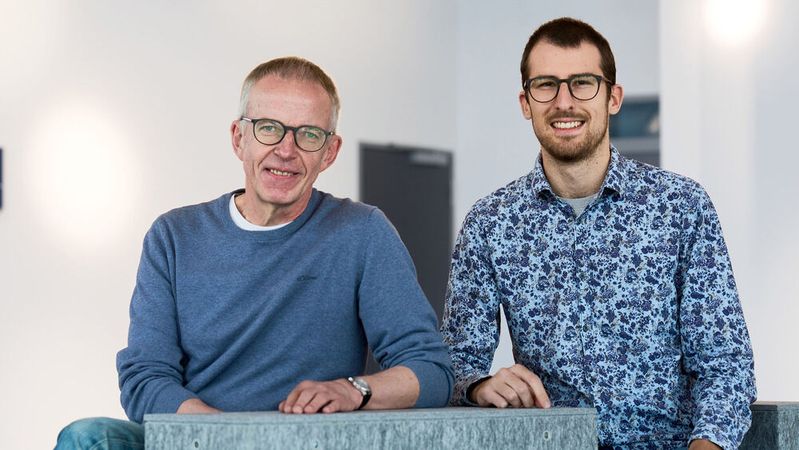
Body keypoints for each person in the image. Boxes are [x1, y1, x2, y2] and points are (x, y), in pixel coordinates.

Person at [56, 56, 453, 449]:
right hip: (196, 437)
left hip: (301, 441)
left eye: (309, 135)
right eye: (269, 129)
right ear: (238, 138)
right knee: (86, 438)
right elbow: (145, 379)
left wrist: (355, 390)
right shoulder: (173, 236)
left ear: (329, 152)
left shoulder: (362, 232)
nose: (286, 150)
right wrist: (227, 436)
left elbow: (431, 371)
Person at [441, 17, 755, 450]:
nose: (564, 101)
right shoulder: (490, 223)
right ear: (525, 102)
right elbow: (456, 362)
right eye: (546, 85)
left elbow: (726, 363)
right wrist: (479, 385)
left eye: (583, 83)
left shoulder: (680, 207)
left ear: (613, 97)